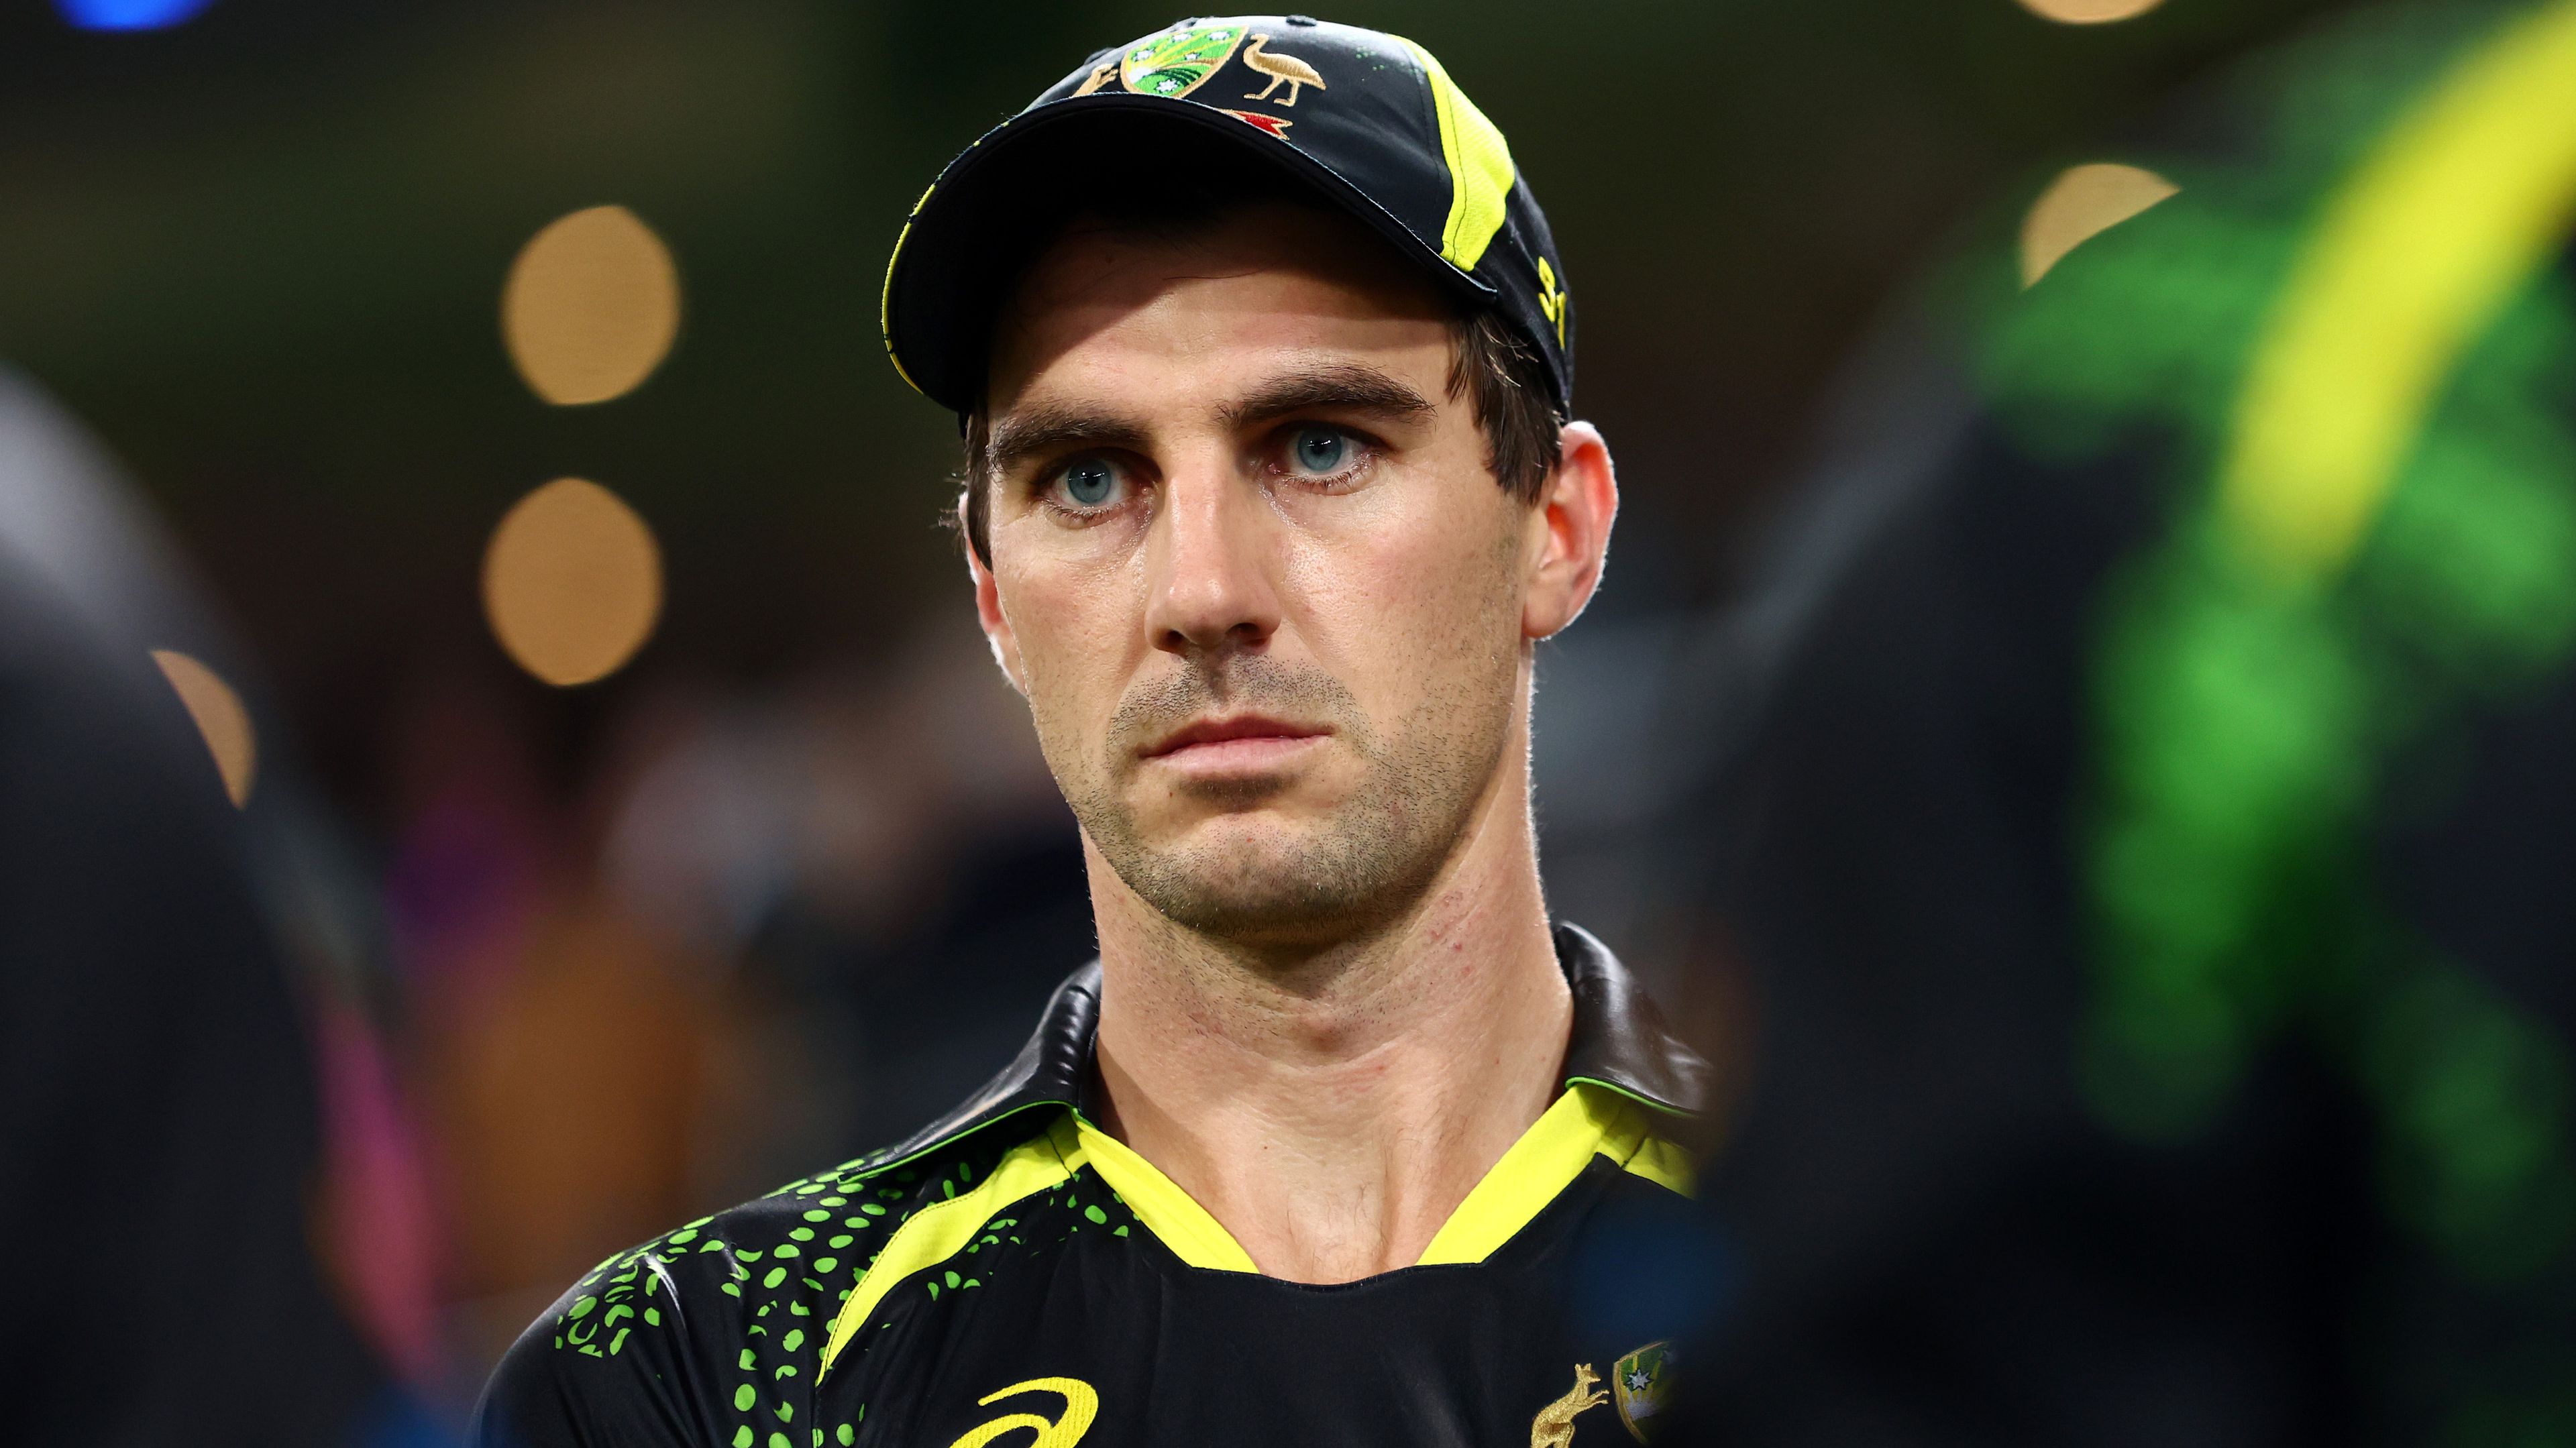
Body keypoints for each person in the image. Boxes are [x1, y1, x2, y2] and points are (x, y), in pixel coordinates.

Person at [474, 15, 1707, 1448]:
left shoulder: (1911, 1278)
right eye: (1088, 479)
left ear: (1556, 528)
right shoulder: (695, 1385)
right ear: (993, 598)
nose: (1201, 592)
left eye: (1320, 444)